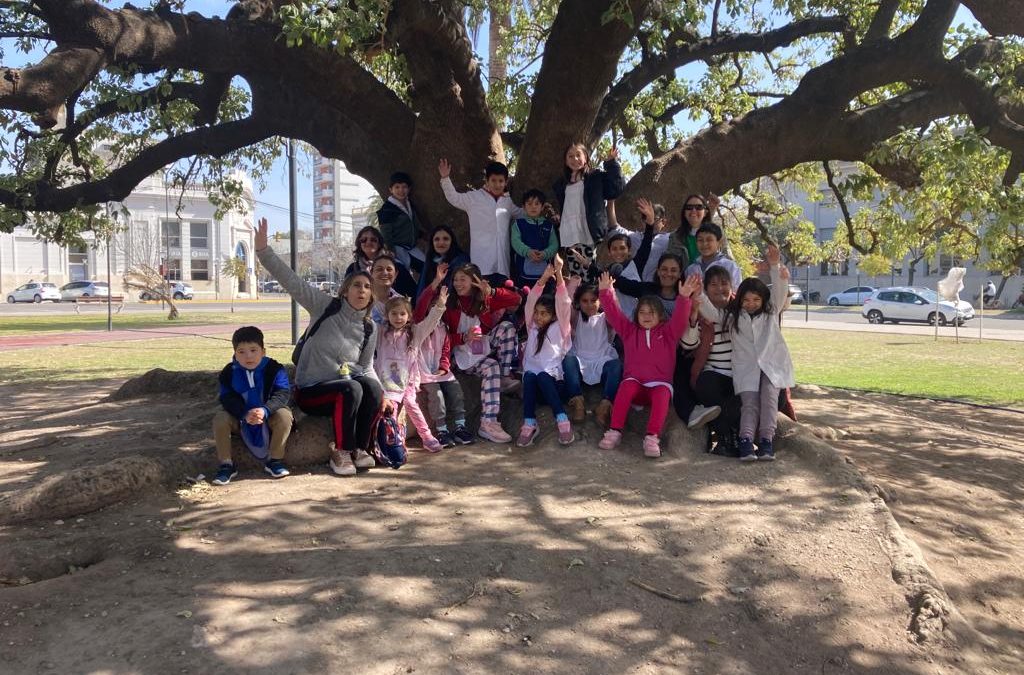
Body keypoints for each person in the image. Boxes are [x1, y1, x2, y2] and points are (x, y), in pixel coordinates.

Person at [256, 218, 384, 477]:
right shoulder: (324, 306)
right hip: (312, 390)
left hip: (347, 390)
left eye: (367, 287)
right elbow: (292, 281)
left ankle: (361, 448)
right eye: (356, 285)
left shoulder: (370, 327)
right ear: (345, 290)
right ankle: (342, 451)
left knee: (370, 386)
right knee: (351, 387)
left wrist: (384, 395)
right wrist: (263, 250)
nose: (362, 290)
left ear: (372, 295)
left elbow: (367, 368)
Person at [597, 271, 702, 458]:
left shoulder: (669, 333)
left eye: (651, 312)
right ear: (637, 315)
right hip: (635, 383)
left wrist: (684, 297)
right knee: (625, 387)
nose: (646, 316)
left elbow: (680, 318)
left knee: (662, 394)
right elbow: (614, 315)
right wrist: (605, 293)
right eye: (642, 312)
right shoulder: (629, 331)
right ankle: (615, 431)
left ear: (660, 315)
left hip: (659, 384)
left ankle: (652, 437)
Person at [709, 245, 795, 461]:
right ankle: (746, 442)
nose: (751, 304)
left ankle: (766, 442)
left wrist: (775, 266)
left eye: (756, 300)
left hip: (772, 366)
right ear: (740, 301)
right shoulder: (733, 317)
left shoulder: (770, 313)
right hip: (746, 368)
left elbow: (779, 291)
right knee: (750, 403)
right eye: (746, 300)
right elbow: (709, 311)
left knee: (768, 400)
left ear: (763, 300)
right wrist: (696, 295)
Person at [427, 262, 521, 443]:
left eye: (463, 279)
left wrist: (492, 292)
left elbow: (515, 300)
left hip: (481, 346)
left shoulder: (483, 300)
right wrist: (462, 337)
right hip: (460, 354)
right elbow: (438, 338)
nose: (458, 283)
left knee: (507, 327)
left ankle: (503, 377)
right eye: (455, 279)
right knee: (490, 366)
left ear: (475, 281)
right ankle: (488, 423)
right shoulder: (449, 304)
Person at [211, 326, 293, 485]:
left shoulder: (275, 368)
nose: (248, 356)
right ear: (235, 353)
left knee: (285, 416)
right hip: (240, 418)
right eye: (241, 352)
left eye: (253, 350)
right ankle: (226, 465)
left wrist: (265, 410)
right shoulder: (229, 372)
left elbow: (282, 394)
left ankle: (275, 460)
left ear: (263, 351)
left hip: (268, 416)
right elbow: (226, 397)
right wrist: (244, 414)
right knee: (220, 418)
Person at [375, 292, 447, 453]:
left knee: (411, 404)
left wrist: (440, 305)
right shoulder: (380, 333)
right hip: (386, 383)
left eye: (402, 313)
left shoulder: (414, 333)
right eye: (394, 313)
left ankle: (427, 437)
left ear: (409, 316)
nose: (398, 317)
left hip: (407, 381)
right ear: (387, 315)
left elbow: (431, 322)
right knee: (390, 409)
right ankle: (393, 442)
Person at [414, 262, 474, 447]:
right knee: (437, 396)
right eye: (432, 307)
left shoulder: (443, 327)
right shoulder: (418, 327)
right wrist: (436, 282)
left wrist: (444, 367)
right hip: (424, 371)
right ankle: (441, 430)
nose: (436, 310)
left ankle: (459, 427)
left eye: (439, 306)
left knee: (455, 391)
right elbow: (423, 301)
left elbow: (446, 350)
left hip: (440, 371)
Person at [517, 256, 574, 447]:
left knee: (541, 375)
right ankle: (529, 423)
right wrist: (543, 278)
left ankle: (562, 420)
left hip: (555, 386)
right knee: (531, 375)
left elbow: (563, 302)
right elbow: (531, 300)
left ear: (553, 315)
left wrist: (558, 273)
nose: (539, 317)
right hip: (535, 389)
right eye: (537, 313)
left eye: (544, 313)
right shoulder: (531, 327)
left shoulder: (560, 328)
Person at [438, 158, 524, 282]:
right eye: (493, 180)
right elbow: (454, 198)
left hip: (502, 265)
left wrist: (543, 211)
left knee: (501, 297)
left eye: (501, 181)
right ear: (487, 181)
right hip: (482, 264)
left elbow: (521, 213)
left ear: (506, 182)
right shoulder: (474, 198)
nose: (497, 184)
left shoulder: (507, 202)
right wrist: (445, 179)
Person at [561, 281, 622, 429]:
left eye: (593, 300)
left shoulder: (605, 318)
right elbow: (564, 305)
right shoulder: (575, 318)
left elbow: (616, 313)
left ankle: (604, 405)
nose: (589, 305)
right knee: (568, 361)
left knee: (617, 365)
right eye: (584, 301)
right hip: (580, 359)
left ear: (600, 301)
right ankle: (578, 401)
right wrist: (572, 285)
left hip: (602, 359)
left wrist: (609, 291)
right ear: (578, 302)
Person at [552, 144, 624, 248]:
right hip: (568, 233)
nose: (575, 159)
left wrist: (611, 163)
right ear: (566, 161)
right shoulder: (561, 185)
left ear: (585, 158)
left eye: (578, 155)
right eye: (570, 156)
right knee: (573, 263)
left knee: (589, 264)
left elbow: (616, 189)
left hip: (589, 232)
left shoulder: (595, 177)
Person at [345, 226, 417, 297]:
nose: (368, 242)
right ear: (359, 244)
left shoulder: (395, 266)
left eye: (373, 239)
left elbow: (413, 292)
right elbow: (345, 293)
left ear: (379, 243)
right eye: (363, 240)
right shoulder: (353, 269)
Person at [377, 171, 424, 274]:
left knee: (427, 268)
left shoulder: (410, 204)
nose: (401, 190)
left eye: (404, 187)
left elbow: (411, 226)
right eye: (397, 187)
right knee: (402, 275)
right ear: (391, 189)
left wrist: (423, 235)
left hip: (412, 248)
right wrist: (391, 251)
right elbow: (386, 233)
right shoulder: (387, 209)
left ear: (409, 189)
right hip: (397, 250)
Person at [613, 252, 688, 317]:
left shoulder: (685, 297)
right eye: (664, 269)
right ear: (658, 271)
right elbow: (624, 284)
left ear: (679, 274)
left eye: (673, 270)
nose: (668, 273)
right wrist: (605, 274)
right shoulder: (647, 289)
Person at [511, 188, 559, 288]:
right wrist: (528, 252)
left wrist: (545, 254)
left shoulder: (548, 225)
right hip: (522, 276)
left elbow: (554, 245)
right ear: (523, 207)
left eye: (537, 204)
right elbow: (516, 242)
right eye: (529, 204)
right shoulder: (518, 224)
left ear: (542, 207)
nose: (533, 207)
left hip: (546, 276)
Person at [666, 194, 722, 269]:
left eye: (699, 207)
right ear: (684, 213)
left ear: (705, 212)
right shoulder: (675, 237)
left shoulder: (717, 234)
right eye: (689, 207)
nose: (693, 211)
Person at [415, 224, 470, 301]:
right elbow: (422, 289)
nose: (441, 243)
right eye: (437, 239)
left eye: (446, 239)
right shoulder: (430, 260)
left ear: (452, 241)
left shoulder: (461, 261)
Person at [684, 222, 742, 289]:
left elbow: (736, 292)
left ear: (719, 243)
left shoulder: (730, 266)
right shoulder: (691, 269)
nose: (704, 244)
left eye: (709, 240)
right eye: (700, 240)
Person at [369, 252, 405, 325]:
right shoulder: (362, 298)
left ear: (395, 274)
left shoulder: (401, 302)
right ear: (371, 273)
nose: (385, 273)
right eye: (379, 269)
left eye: (389, 269)